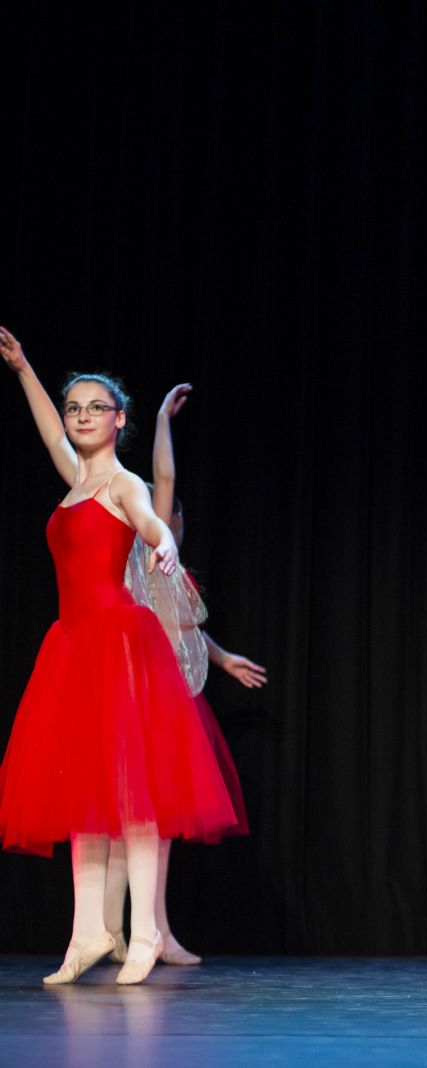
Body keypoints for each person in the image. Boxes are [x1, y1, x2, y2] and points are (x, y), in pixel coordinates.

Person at [0, 326, 237, 985]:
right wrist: (24, 370)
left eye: (93, 408)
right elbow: (48, 433)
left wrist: (162, 543)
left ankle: (144, 934)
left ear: (119, 420)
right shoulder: (74, 481)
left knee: (134, 796)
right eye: (74, 407)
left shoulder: (122, 484)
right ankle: (86, 936)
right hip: (71, 647)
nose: (79, 417)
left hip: (118, 644)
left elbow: (152, 515)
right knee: (83, 798)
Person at [103, 383, 267, 967]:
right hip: (136, 695)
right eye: (161, 509)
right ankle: (115, 930)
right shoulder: (133, 558)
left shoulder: (174, 575)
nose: (170, 515)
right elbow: (162, 480)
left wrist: (222, 659)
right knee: (126, 820)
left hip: (176, 698)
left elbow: (186, 632)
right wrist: (164, 423)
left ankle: (157, 931)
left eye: (175, 515)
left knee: (158, 823)